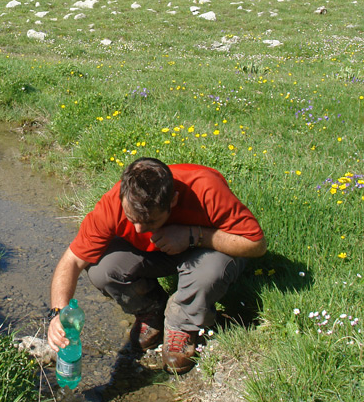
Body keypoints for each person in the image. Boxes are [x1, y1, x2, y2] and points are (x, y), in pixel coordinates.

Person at [46, 157, 266, 374]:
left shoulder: (205, 190)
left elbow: (256, 244)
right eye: (133, 219)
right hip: (162, 252)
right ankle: (151, 310)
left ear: (173, 201)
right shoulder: (113, 204)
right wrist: (58, 313)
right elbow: (72, 260)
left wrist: (193, 236)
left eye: (151, 221)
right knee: (101, 268)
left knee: (209, 272)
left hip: (204, 251)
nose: (140, 230)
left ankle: (183, 323)